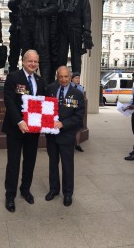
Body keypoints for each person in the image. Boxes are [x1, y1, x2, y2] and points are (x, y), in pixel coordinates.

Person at [2, 50, 45, 212]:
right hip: (15, 128)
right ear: (23, 61)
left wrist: (46, 122)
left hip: (33, 129)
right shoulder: (13, 77)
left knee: (30, 161)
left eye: (36, 61)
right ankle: (10, 195)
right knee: (13, 162)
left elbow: (42, 104)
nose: (33, 64)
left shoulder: (40, 81)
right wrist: (19, 121)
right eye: (30, 61)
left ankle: (25, 189)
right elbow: (9, 101)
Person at [45, 66, 85, 206]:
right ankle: (54, 189)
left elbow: (79, 117)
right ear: (57, 76)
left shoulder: (77, 94)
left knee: (67, 165)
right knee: (52, 164)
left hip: (67, 135)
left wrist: (63, 123)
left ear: (70, 76)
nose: (63, 79)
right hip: (51, 135)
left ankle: (68, 193)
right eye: (60, 76)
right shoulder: (50, 89)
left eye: (66, 77)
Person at [20, 0, 59, 85]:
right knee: (27, 54)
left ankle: (46, 84)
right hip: (27, 26)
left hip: (40, 25)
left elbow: (55, 7)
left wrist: (40, 12)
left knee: (43, 55)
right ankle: (27, 83)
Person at [58, 0, 93, 73]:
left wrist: (87, 31)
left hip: (76, 28)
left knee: (76, 56)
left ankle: (76, 79)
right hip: (62, 28)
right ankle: (61, 77)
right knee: (61, 55)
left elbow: (87, 14)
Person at [8, 0, 29, 73]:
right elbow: (11, 3)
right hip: (16, 31)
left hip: (27, 31)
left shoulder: (31, 0)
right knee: (13, 53)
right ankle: (12, 71)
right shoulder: (17, 0)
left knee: (26, 53)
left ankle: (26, 72)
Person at [71, 72, 85, 152]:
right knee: (71, 129)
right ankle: (71, 144)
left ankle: (77, 144)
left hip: (78, 110)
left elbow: (82, 100)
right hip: (71, 110)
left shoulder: (81, 88)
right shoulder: (68, 87)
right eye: (76, 78)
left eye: (78, 78)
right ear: (72, 79)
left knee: (78, 128)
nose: (77, 80)